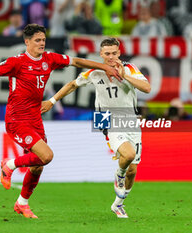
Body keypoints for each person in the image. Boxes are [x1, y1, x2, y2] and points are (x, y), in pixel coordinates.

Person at [0, 24, 121, 219]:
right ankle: (9, 164)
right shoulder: (17, 62)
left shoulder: (49, 59)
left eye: (43, 40)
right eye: (37, 40)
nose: (42, 43)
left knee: (38, 165)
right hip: (17, 119)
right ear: (27, 42)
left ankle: (22, 203)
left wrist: (104, 67)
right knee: (47, 155)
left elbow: (77, 61)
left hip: (35, 118)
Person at [40, 37, 151, 218]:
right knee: (128, 156)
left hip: (130, 119)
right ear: (101, 54)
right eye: (107, 54)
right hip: (106, 118)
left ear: (119, 53)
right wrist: (52, 101)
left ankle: (118, 204)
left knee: (133, 170)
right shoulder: (94, 72)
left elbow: (146, 88)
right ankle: (119, 174)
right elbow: (72, 85)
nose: (111, 57)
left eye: (114, 53)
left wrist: (125, 76)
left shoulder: (129, 69)